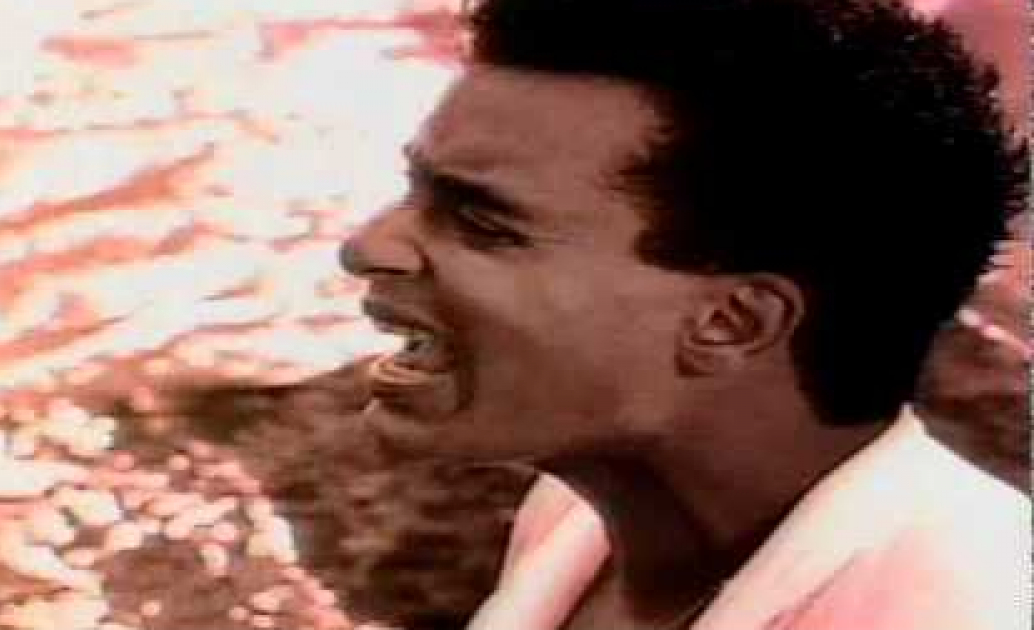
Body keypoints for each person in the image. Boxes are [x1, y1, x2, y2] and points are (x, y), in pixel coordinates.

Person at [338, 0, 1030, 628]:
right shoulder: (582, 514)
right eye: (416, 192)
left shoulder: (968, 608)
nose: (366, 247)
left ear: (733, 323)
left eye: (484, 224)